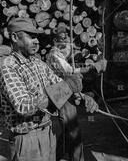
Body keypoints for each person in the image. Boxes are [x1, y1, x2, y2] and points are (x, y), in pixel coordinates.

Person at [0, 17, 98, 161]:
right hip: (27, 139)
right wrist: (65, 87)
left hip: (48, 131)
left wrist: (83, 97)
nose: (37, 41)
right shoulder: (8, 66)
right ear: (14, 37)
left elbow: (58, 83)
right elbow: (23, 106)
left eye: (37, 37)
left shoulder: (38, 63)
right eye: (31, 36)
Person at [46, 27, 104, 161]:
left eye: (66, 38)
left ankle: (55, 156)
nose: (65, 41)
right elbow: (70, 72)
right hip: (61, 93)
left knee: (68, 131)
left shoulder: (60, 54)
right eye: (61, 39)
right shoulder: (54, 55)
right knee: (73, 130)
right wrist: (92, 67)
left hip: (65, 92)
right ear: (55, 41)